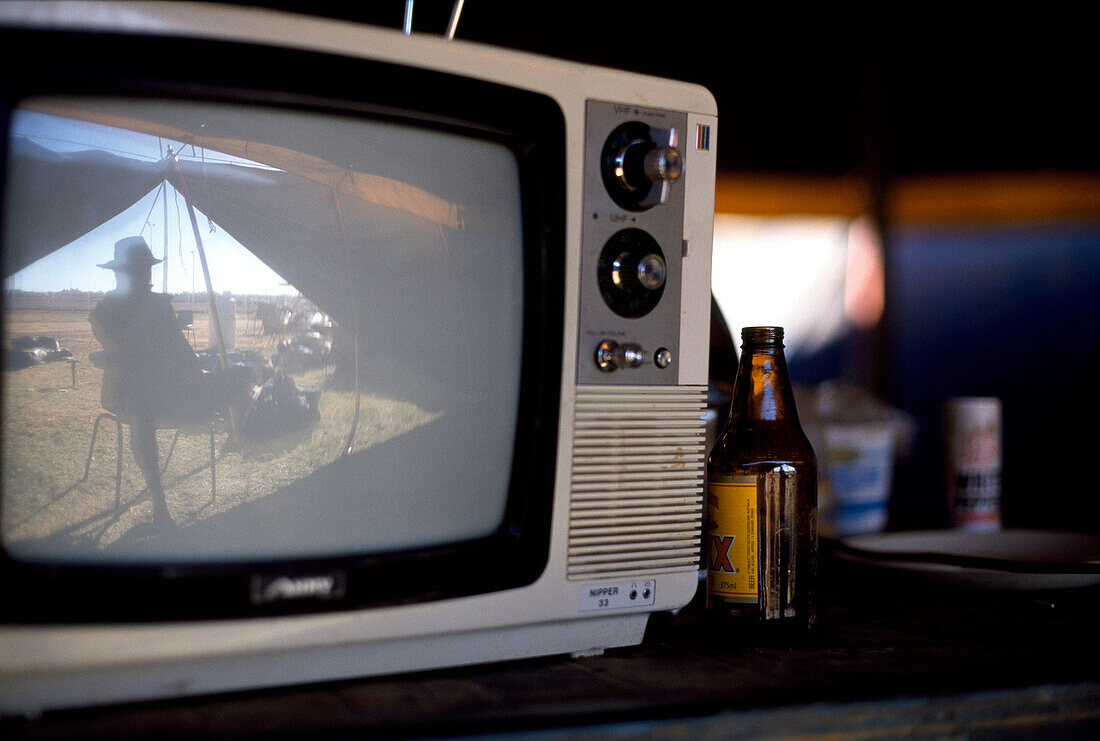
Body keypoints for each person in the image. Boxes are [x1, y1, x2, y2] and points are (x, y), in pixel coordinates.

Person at [89, 236, 251, 532]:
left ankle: (242, 439)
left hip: (175, 389)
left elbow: (178, 350)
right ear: (123, 273)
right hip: (133, 393)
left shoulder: (159, 306)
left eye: (147, 268)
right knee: (143, 404)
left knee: (242, 375)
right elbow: (120, 356)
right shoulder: (107, 310)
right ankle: (159, 501)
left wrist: (196, 373)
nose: (146, 275)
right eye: (140, 268)